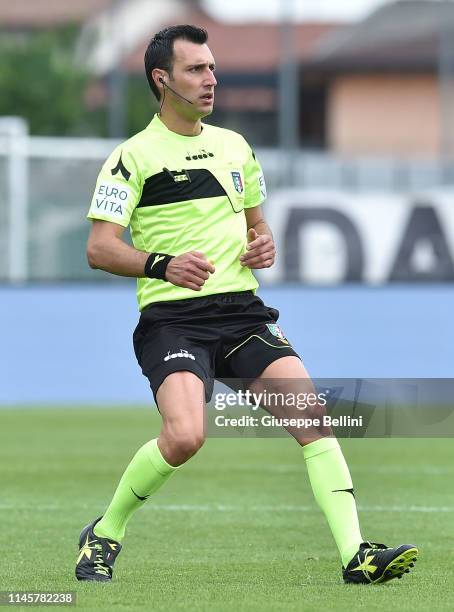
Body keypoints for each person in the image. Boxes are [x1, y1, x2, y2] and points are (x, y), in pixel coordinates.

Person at [75, 25, 418, 585]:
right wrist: (163, 264)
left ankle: (356, 555)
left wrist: (265, 242)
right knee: (185, 437)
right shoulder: (131, 157)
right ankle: (104, 534)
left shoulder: (236, 146)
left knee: (314, 421)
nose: (210, 79)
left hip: (241, 314)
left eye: (211, 67)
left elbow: (257, 227)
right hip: (174, 321)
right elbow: (99, 248)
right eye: (195, 70)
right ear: (162, 79)